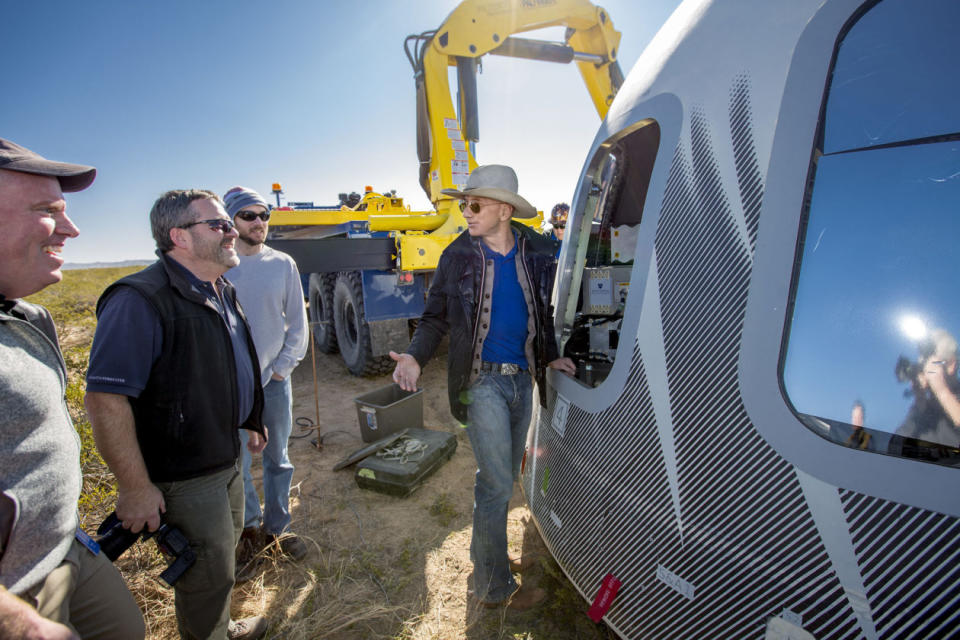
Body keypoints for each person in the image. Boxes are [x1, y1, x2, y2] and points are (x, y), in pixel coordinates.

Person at [389, 165, 576, 610]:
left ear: (504, 210)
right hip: (482, 383)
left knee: (505, 478)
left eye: (475, 204)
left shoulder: (535, 249)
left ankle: (486, 554)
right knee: (494, 484)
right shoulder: (457, 256)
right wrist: (414, 355)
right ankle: (490, 584)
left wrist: (549, 356)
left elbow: (541, 312)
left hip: (522, 381)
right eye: (463, 204)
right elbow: (434, 316)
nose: (465, 212)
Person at [84, 190, 269, 640]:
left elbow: (226, 361)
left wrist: (251, 415)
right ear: (178, 238)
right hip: (185, 474)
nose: (232, 232)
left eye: (230, 223)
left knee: (221, 563)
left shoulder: (219, 288)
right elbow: (106, 400)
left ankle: (219, 628)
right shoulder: (139, 299)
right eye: (219, 225)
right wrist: (134, 487)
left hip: (225, 455)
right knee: (205, 575)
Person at [0, 138, 145, 639]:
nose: (73, 229)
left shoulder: (27, 317)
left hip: (64, 546)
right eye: (47, 211)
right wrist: (17, 621)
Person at [222, 186, 309, 570]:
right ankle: (249, 531)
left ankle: (278, 530)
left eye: (264, 216)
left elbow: (298, 323)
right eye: (249, 216)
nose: (259, 223)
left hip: (274, 384)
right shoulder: (220, 265)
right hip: (231, 386)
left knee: (278, 459)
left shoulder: (283, 264)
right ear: (231, 221)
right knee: (237, 464)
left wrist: (281, 369)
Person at [894, 328, 960, 449]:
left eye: (931, 364)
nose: (926, 371)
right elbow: (894, 448)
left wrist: (943, 393)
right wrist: (920, 401)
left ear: (951, 364)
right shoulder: (924, 406)